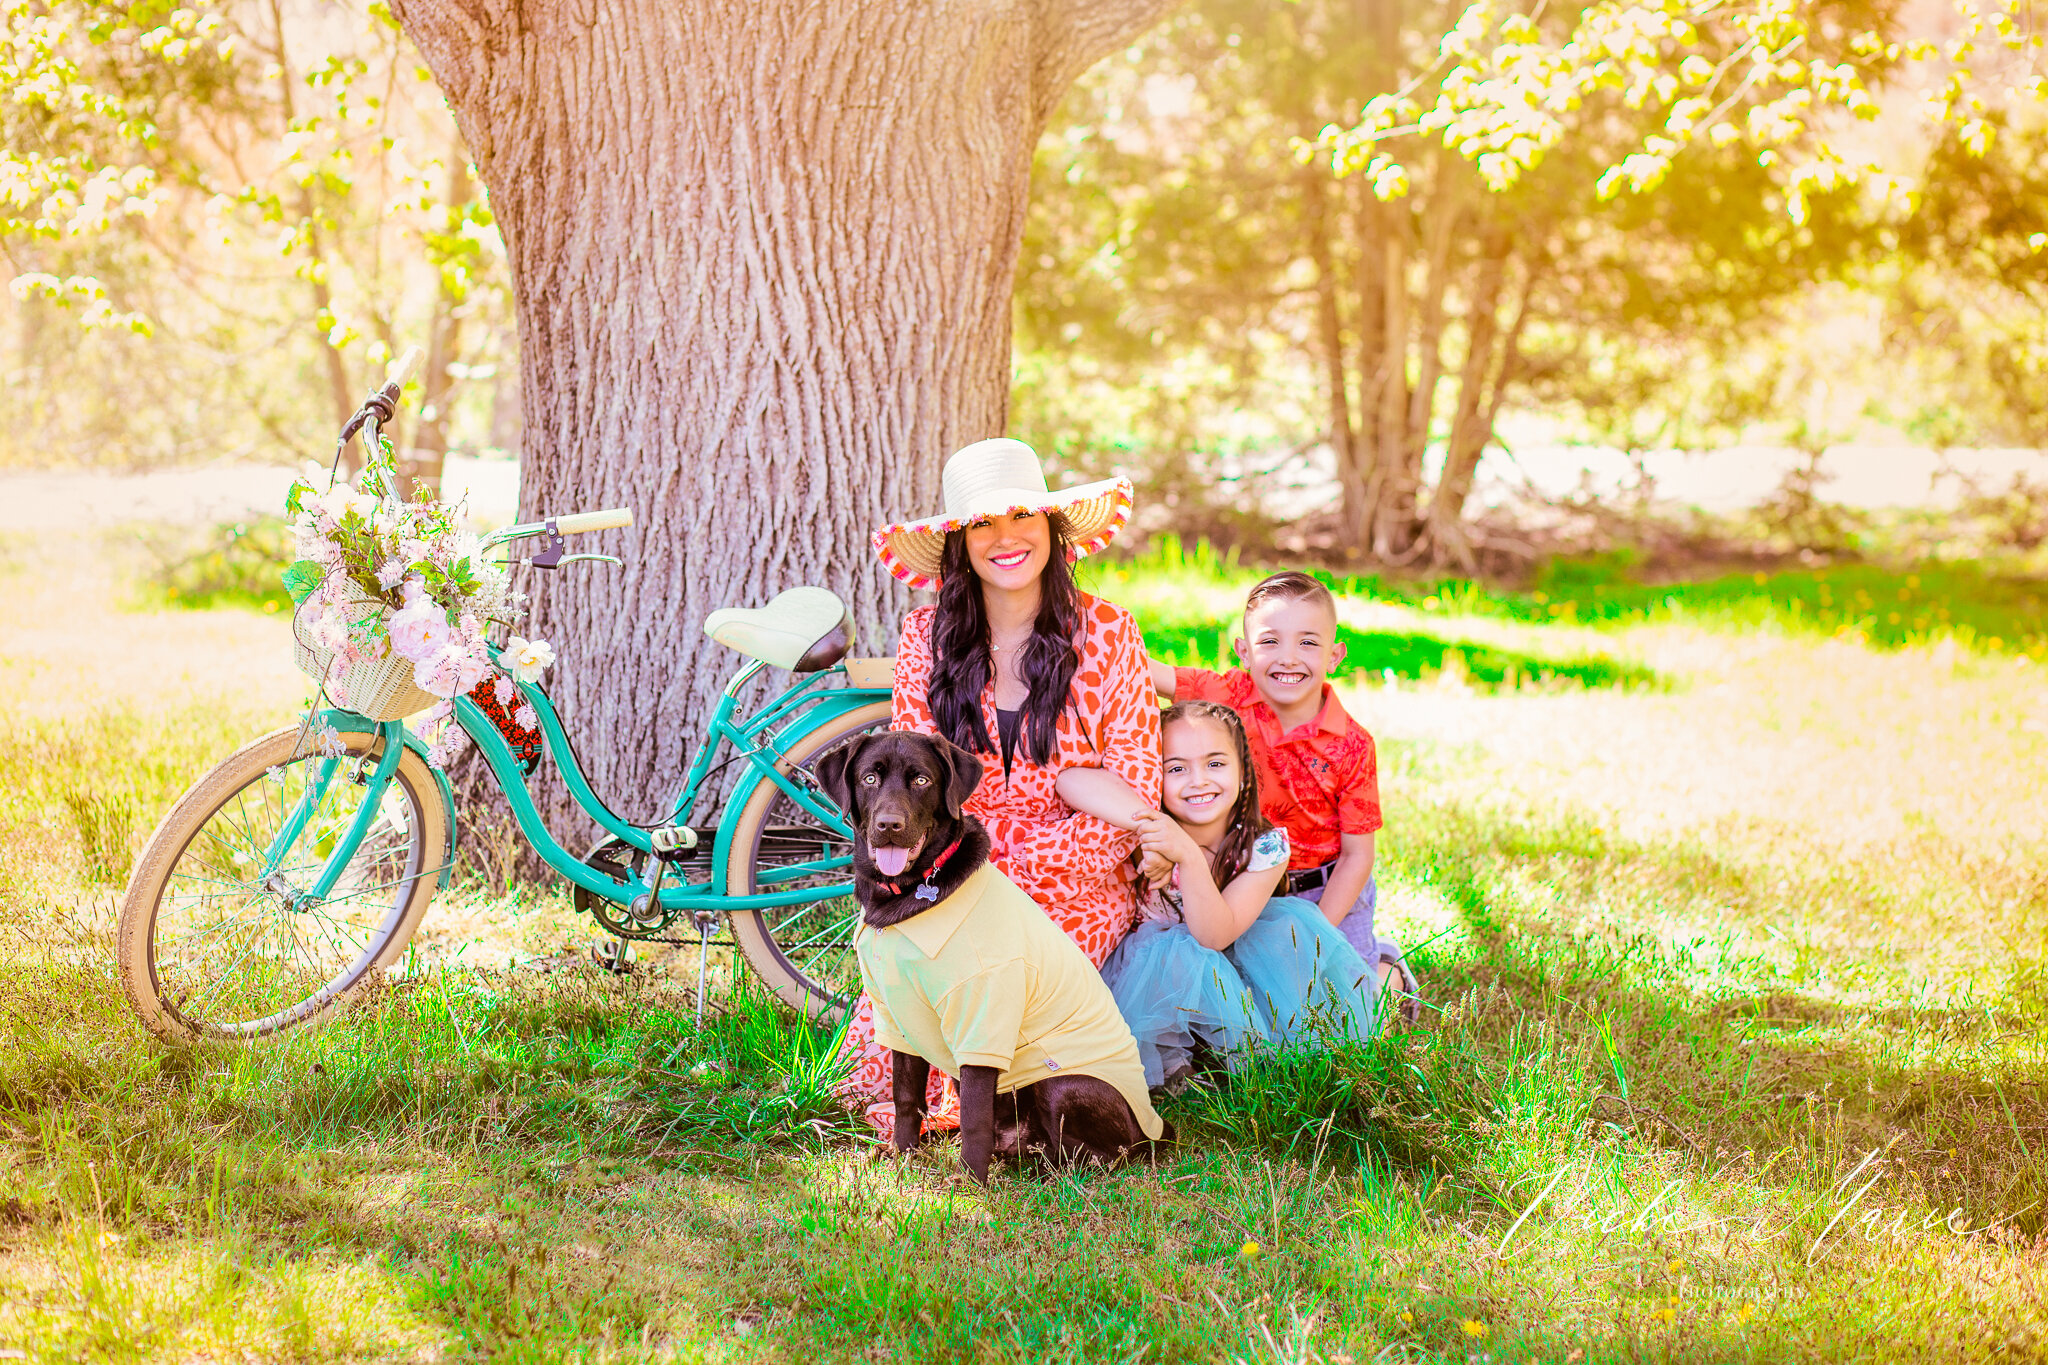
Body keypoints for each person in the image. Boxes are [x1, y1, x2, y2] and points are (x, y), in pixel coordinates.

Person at [837, 437, 1163, 1136]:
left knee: (1013, 987)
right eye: (984, 523)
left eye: (1024, 517)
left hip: (1075, 881)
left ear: (1053, 530)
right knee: (897, 1000)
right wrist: (969, 870)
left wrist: (1019, 867)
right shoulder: (926, 637)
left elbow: (1135, 785)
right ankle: (919, 1105)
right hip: (953, 876)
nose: (1006, 537)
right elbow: (912, 782)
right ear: (960, 545)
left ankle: (988, 1114)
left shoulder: (1108, 632)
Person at [1149, 570, 1421, 1022]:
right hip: (1246, 883)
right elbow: (1142, 670)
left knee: (1347, 1021)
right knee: (1259, 1014)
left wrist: (1319, 932)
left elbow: (1358, 856)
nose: (1288, 658)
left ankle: (1386, 970)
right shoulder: (1230, 693)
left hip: (1326, 890)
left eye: (1308, 643)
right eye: (1270, 641)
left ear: (1335, 655)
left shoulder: (1352, 744)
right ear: (1243, 650)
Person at [1061, 702, 1377, 1087]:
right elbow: (1069, 780)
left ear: (1244, 774)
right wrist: (1149, 823)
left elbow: (1213, 937)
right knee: (1174, 954)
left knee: (1272, 942)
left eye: (1215, 763)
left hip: (1242, 970)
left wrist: (1188, 855)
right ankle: (1177, 1064)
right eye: (1176, 768)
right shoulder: (1148, 831)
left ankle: (1245, 1059)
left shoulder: (1267, 847)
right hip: (1159, 987)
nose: (1197, 780)